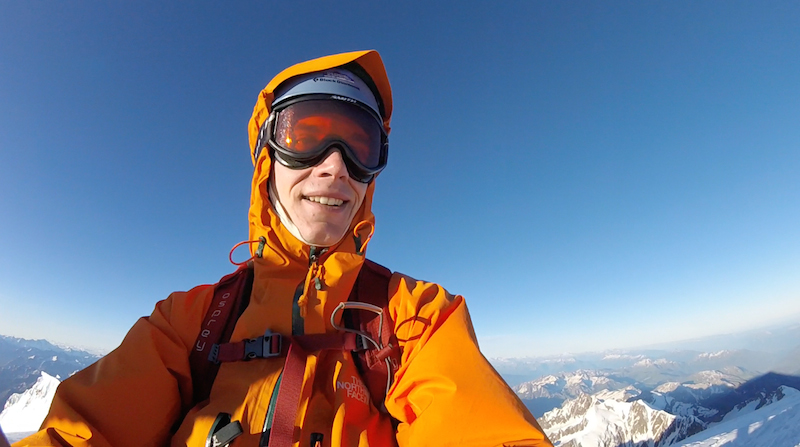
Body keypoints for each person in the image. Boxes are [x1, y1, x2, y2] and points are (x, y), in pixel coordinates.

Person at [16, 50, 553, 447]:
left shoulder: (418, 320)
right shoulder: (187, 323)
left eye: (360, 145)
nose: (336, 165)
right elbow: (83, 432)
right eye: (307, 136)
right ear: (266, 158)